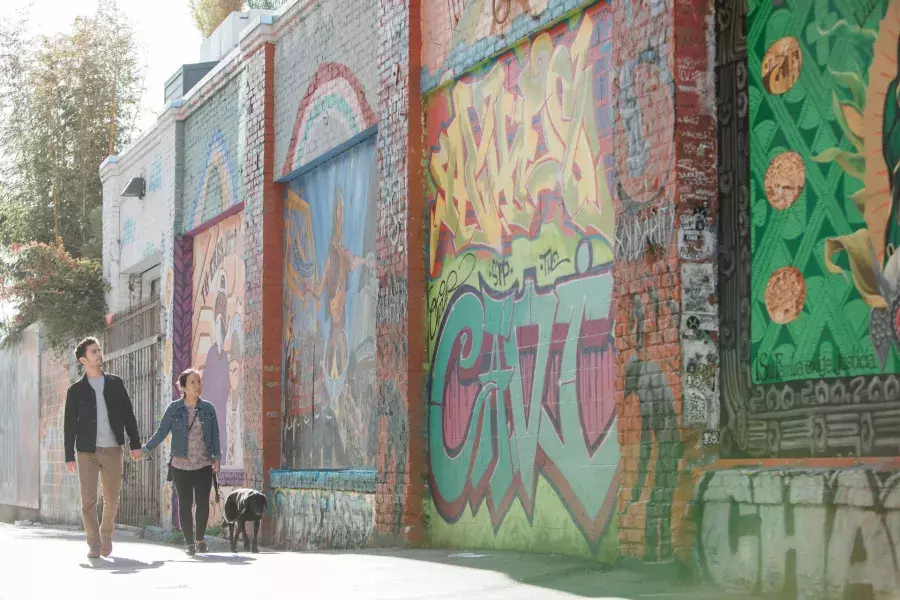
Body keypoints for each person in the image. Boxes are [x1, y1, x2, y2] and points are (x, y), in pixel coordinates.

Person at [64, 337, 143, 559]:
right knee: (88, 499)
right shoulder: (75, 391)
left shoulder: (115, 383)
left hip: (112, 448)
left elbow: (128, 414)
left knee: (111, 496)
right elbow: (69, 425)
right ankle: (93, 543)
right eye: (93, 351)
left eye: (99, 350)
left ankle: (106, 533)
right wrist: (69, 456)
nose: (99, 354)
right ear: (83, 359)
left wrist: (135, 444)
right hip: (86, 450)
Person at [142, 368, 221, 555]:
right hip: (180, 466)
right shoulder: (174, 409)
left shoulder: (208, 408)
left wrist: (216, 460)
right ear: (183, 386)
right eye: (192, 382)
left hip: (203, 465)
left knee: (202, 503)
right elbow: (162, 432)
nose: (197, 385)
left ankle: (200, 540)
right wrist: (146, 448)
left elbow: (215, 436)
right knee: (185, 504)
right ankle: (189, 544)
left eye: (199, 382)